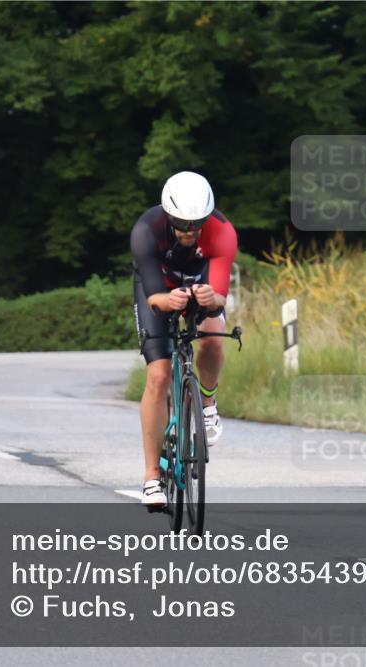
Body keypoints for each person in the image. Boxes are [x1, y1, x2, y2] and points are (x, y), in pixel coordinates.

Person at [130, 171, 237, 507]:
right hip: (159, 290)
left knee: (213, 336)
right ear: (168, 216)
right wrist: (168, 299)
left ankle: (207, 404)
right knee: (159, 375)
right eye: (181, 224)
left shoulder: (222, 232)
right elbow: (153, 299)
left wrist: (210, 298)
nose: (190, 232)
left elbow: (220, 298)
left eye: (197, 224)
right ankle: (151, 477)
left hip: (202, 285)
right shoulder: (146, 231)